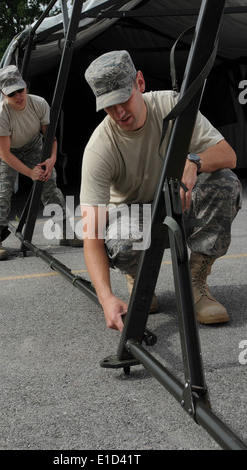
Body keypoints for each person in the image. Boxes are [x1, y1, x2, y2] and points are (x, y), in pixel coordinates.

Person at [80, 50, 242, 332]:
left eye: (123, 98)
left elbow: (228, 155)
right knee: (120, 240)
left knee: (225, 182)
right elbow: (92, 235)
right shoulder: (99, 148)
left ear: (139, 83)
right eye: (108, 106)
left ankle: (196, 284)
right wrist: (106, 298)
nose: (119, 113)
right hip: (135, 217)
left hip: (178, 202)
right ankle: (138, 277)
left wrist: (195, 161)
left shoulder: (173, 106)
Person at [0, 64, 80, 260]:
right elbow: (4, 154)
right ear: (3, 94)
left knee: (49, 182)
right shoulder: (0, 115)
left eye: (20, 90)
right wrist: (29, 173)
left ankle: (66, 232)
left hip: (33, 144)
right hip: (6, 151)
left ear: (25, 87)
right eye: (12, 94)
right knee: (2, 189)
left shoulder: (39, 104)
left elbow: (50, 137)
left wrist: (52, 159)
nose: (18, 97)